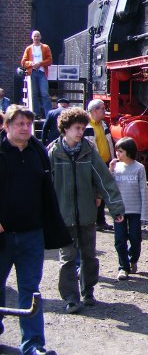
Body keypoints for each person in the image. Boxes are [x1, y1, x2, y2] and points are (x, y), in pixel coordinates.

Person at [0, 105, 67, 355]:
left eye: (28, 124)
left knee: (31, 290)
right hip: (3, 236)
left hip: (31, 235)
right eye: (19, 124)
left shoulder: (38, 152)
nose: (25, 128)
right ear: (7, 126)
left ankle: (33, 345)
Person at [48, 107, 124, 314]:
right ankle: (71, 298)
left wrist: (116, 208)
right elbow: (45, 185)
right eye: (77, 128)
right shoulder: (53, 153)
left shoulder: (88, 152)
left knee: (89, 256)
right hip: (64, 216)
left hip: (87, 214)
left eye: (82, 128)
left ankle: (88, 291)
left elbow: (104, 180)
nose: (81, 132)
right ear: (65, 129)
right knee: (67, 258)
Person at [110, 138, 148, 280]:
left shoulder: (139, 168)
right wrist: (111, 170)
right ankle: (123, 267)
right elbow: (111, 187)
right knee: (119, 239)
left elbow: (143, 190)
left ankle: (133, 259)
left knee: (135, 238)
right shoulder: (116, 167)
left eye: (120, 151)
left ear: (129, 152)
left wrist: (144, 212)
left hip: (135, 210)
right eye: (117, 151)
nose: (117, 154)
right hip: (120, 209)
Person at [83, 100, 115, 231]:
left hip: (105, 162)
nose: (104, 110)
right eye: (102, 108)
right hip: (94, 163)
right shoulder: (85, 126)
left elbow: (109, 142)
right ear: (94, 110)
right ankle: (94, 221)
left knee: (102, 193)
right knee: (94, 194)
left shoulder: (103, 124)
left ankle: (101, 221)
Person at [20, 31, 53, 119]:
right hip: (32, 73)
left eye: (38, 36)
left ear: (40, 37)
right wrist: (32, 63)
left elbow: (50, 60)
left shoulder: (45, 47)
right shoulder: (29, 48)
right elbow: (23, 62)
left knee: (44, 94)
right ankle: (36, 114)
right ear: (32, 37)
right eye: (35, 36)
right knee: (33, 94)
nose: (36, 38)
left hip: (42, 73)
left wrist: (40, 64)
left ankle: (48, 115)